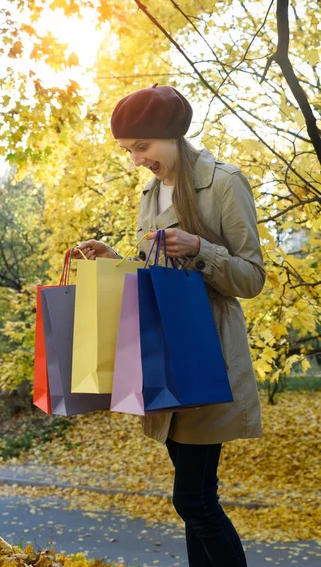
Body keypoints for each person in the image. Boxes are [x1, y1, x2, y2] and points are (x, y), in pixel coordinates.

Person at [73, 84, 265, 566]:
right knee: (195, 504)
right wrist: (117, 260)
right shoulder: (151, 190)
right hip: (163, 358)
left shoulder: (224, 182)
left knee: (194, 499)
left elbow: (252, 278)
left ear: (173, 135)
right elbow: (156, 277)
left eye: (143, 147)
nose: (137, 159)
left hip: (207, 357)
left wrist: (201, 249)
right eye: (128, 150)